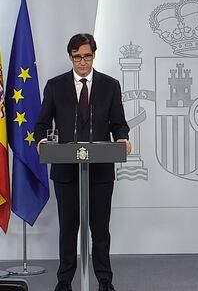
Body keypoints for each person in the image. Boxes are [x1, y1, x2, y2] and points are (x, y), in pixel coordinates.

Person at [35, 33, 131, 291]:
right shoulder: (55, 86)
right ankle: (64, 282)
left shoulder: (110, 86)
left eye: (86, 56)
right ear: (70, 57)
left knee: (100, 231)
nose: (82, 62)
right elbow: (42, 123)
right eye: (76, 57)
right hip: (66, 171)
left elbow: (119, 123)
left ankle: (104, 282)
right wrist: (42, 141)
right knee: (68, 230)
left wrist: (123, 139)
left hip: (100, 171)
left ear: (94, 55)